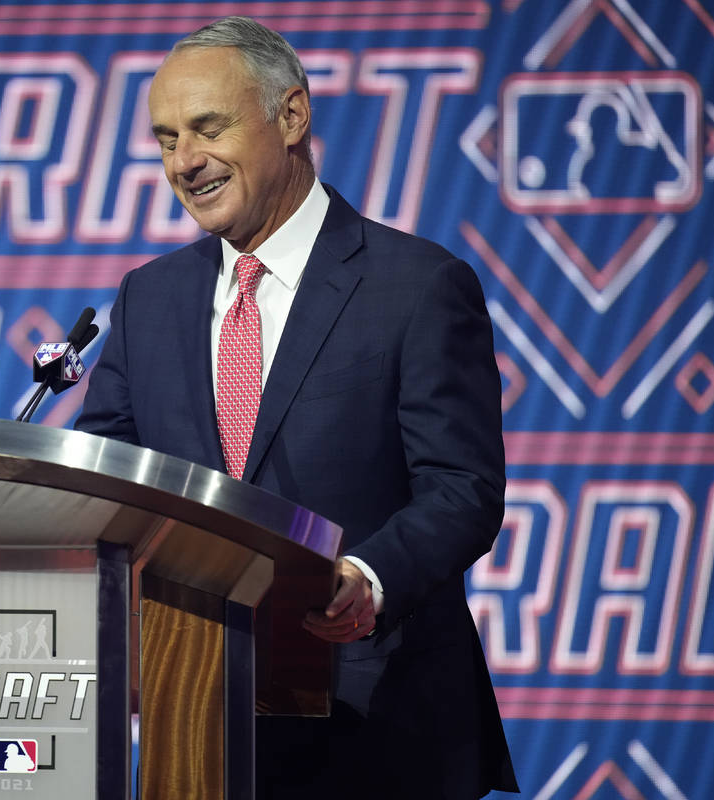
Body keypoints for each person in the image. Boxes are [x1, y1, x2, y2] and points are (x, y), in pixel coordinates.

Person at [75, 16, 518, 799]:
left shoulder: (416, 286)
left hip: (378, 728)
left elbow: (462, 489)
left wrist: (365, 577)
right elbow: (100, 482)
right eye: (167, 138)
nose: (186, 161)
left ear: (291, 116)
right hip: (197, 718)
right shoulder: (150, 297)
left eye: (208, 128)